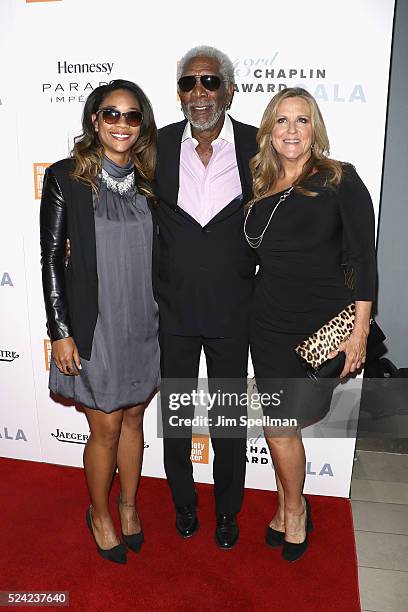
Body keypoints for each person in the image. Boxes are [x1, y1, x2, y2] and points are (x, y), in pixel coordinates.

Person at [245, 87, 376, 561]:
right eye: (282, 120)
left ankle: (296, 511)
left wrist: (359, 331)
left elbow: (364, 258)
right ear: (269, 130)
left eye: (302, 120)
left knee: (281, 426)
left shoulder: (340, 179)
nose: (292, 130)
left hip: (320, 324)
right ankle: (284, 506)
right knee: (280, 426)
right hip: (268, 322)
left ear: (314, 127)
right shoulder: (261, 184)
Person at [40, 79, 159, 564]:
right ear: (95, 120)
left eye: (132, 116)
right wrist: (60, 331)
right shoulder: (66, 177)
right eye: (111, 114)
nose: (122, 124)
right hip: (95, 324)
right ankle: (101, 513)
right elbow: (51, 259)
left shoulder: (151, 182)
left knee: (134, 418)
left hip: (144, 320)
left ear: (141, 125)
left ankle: (129, 506)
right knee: (105, 427)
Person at [154, 46, 258, 548]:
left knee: (228, 422)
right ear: (179, 95)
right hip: (171, 308)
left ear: (229, 90)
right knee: (176, 416)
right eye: (190, 83)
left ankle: (227, 512)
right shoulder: (156, 145)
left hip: (232, 309)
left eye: (210, 82)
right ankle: (183, 503)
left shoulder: (259, 148)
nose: (200, 93)